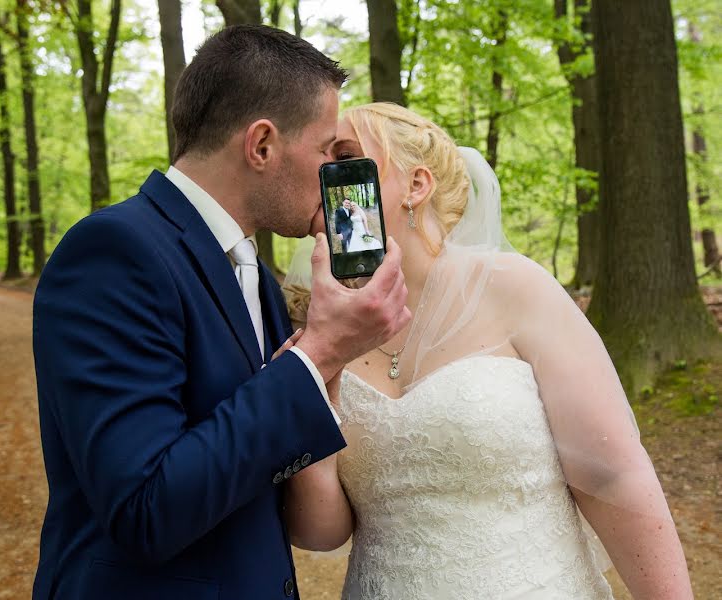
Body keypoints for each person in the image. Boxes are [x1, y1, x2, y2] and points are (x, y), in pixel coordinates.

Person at [30, 27, 411, 599]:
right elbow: (144, 509)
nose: (336, 173)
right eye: (325, 149)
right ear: (262, 145)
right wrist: (317, 355)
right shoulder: (113, 252)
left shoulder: (253, 271)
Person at [282, 102, 693, 599]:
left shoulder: (516, 289)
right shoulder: (318, 329)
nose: (325, 177)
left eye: (345, 158)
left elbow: (614, 478)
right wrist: (309, 410)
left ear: (417, 186)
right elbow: (321, 534)